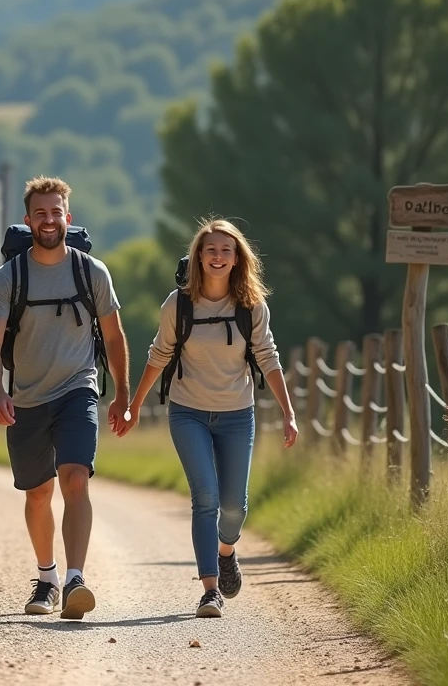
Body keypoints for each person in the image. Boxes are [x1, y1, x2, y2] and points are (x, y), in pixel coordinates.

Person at [125, 219, 297, 619]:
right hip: (188, 413)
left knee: (234, 507)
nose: (218, 257)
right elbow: (158, 355)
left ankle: (226, 552)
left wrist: (289, 413)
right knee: (206, 499)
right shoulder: (178, 304)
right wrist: (134, 405)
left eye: (226, 251)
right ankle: (209, 590)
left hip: (238, 414)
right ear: (198, 256)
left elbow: (268, 358)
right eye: (211, 250)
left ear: (238, 259)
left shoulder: (252, 306)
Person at [0, 175, 130, 620]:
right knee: (38, 493)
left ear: (69, 216)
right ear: (29, 220)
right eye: (40, 213)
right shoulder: (11, 276)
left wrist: (122, 394)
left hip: (77, 388)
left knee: (75, 478)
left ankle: (75, 578)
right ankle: (46, 576)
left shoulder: (91, 271)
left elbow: (114, 335)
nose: (49, 220)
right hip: (26, 397)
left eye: (56, 212)